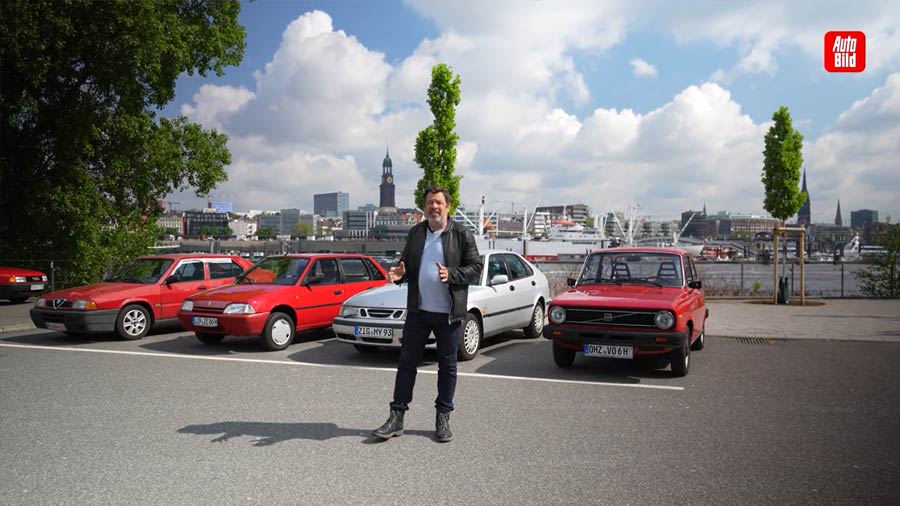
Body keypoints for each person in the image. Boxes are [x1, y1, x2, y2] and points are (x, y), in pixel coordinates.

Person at [372, 185, 482, 443]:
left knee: (447, 367)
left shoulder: (462, 234)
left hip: (448, 314)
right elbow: (406, 267)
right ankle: (396, 417)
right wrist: (400, 276)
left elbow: (476, 268)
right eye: (430, 203)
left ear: (448, 206)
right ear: (425, 207)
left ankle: (443, 417)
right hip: (418, 311)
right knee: (407, 363)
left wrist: (451, 274)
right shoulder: (416, 233)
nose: (434, 207)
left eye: (439, 203)